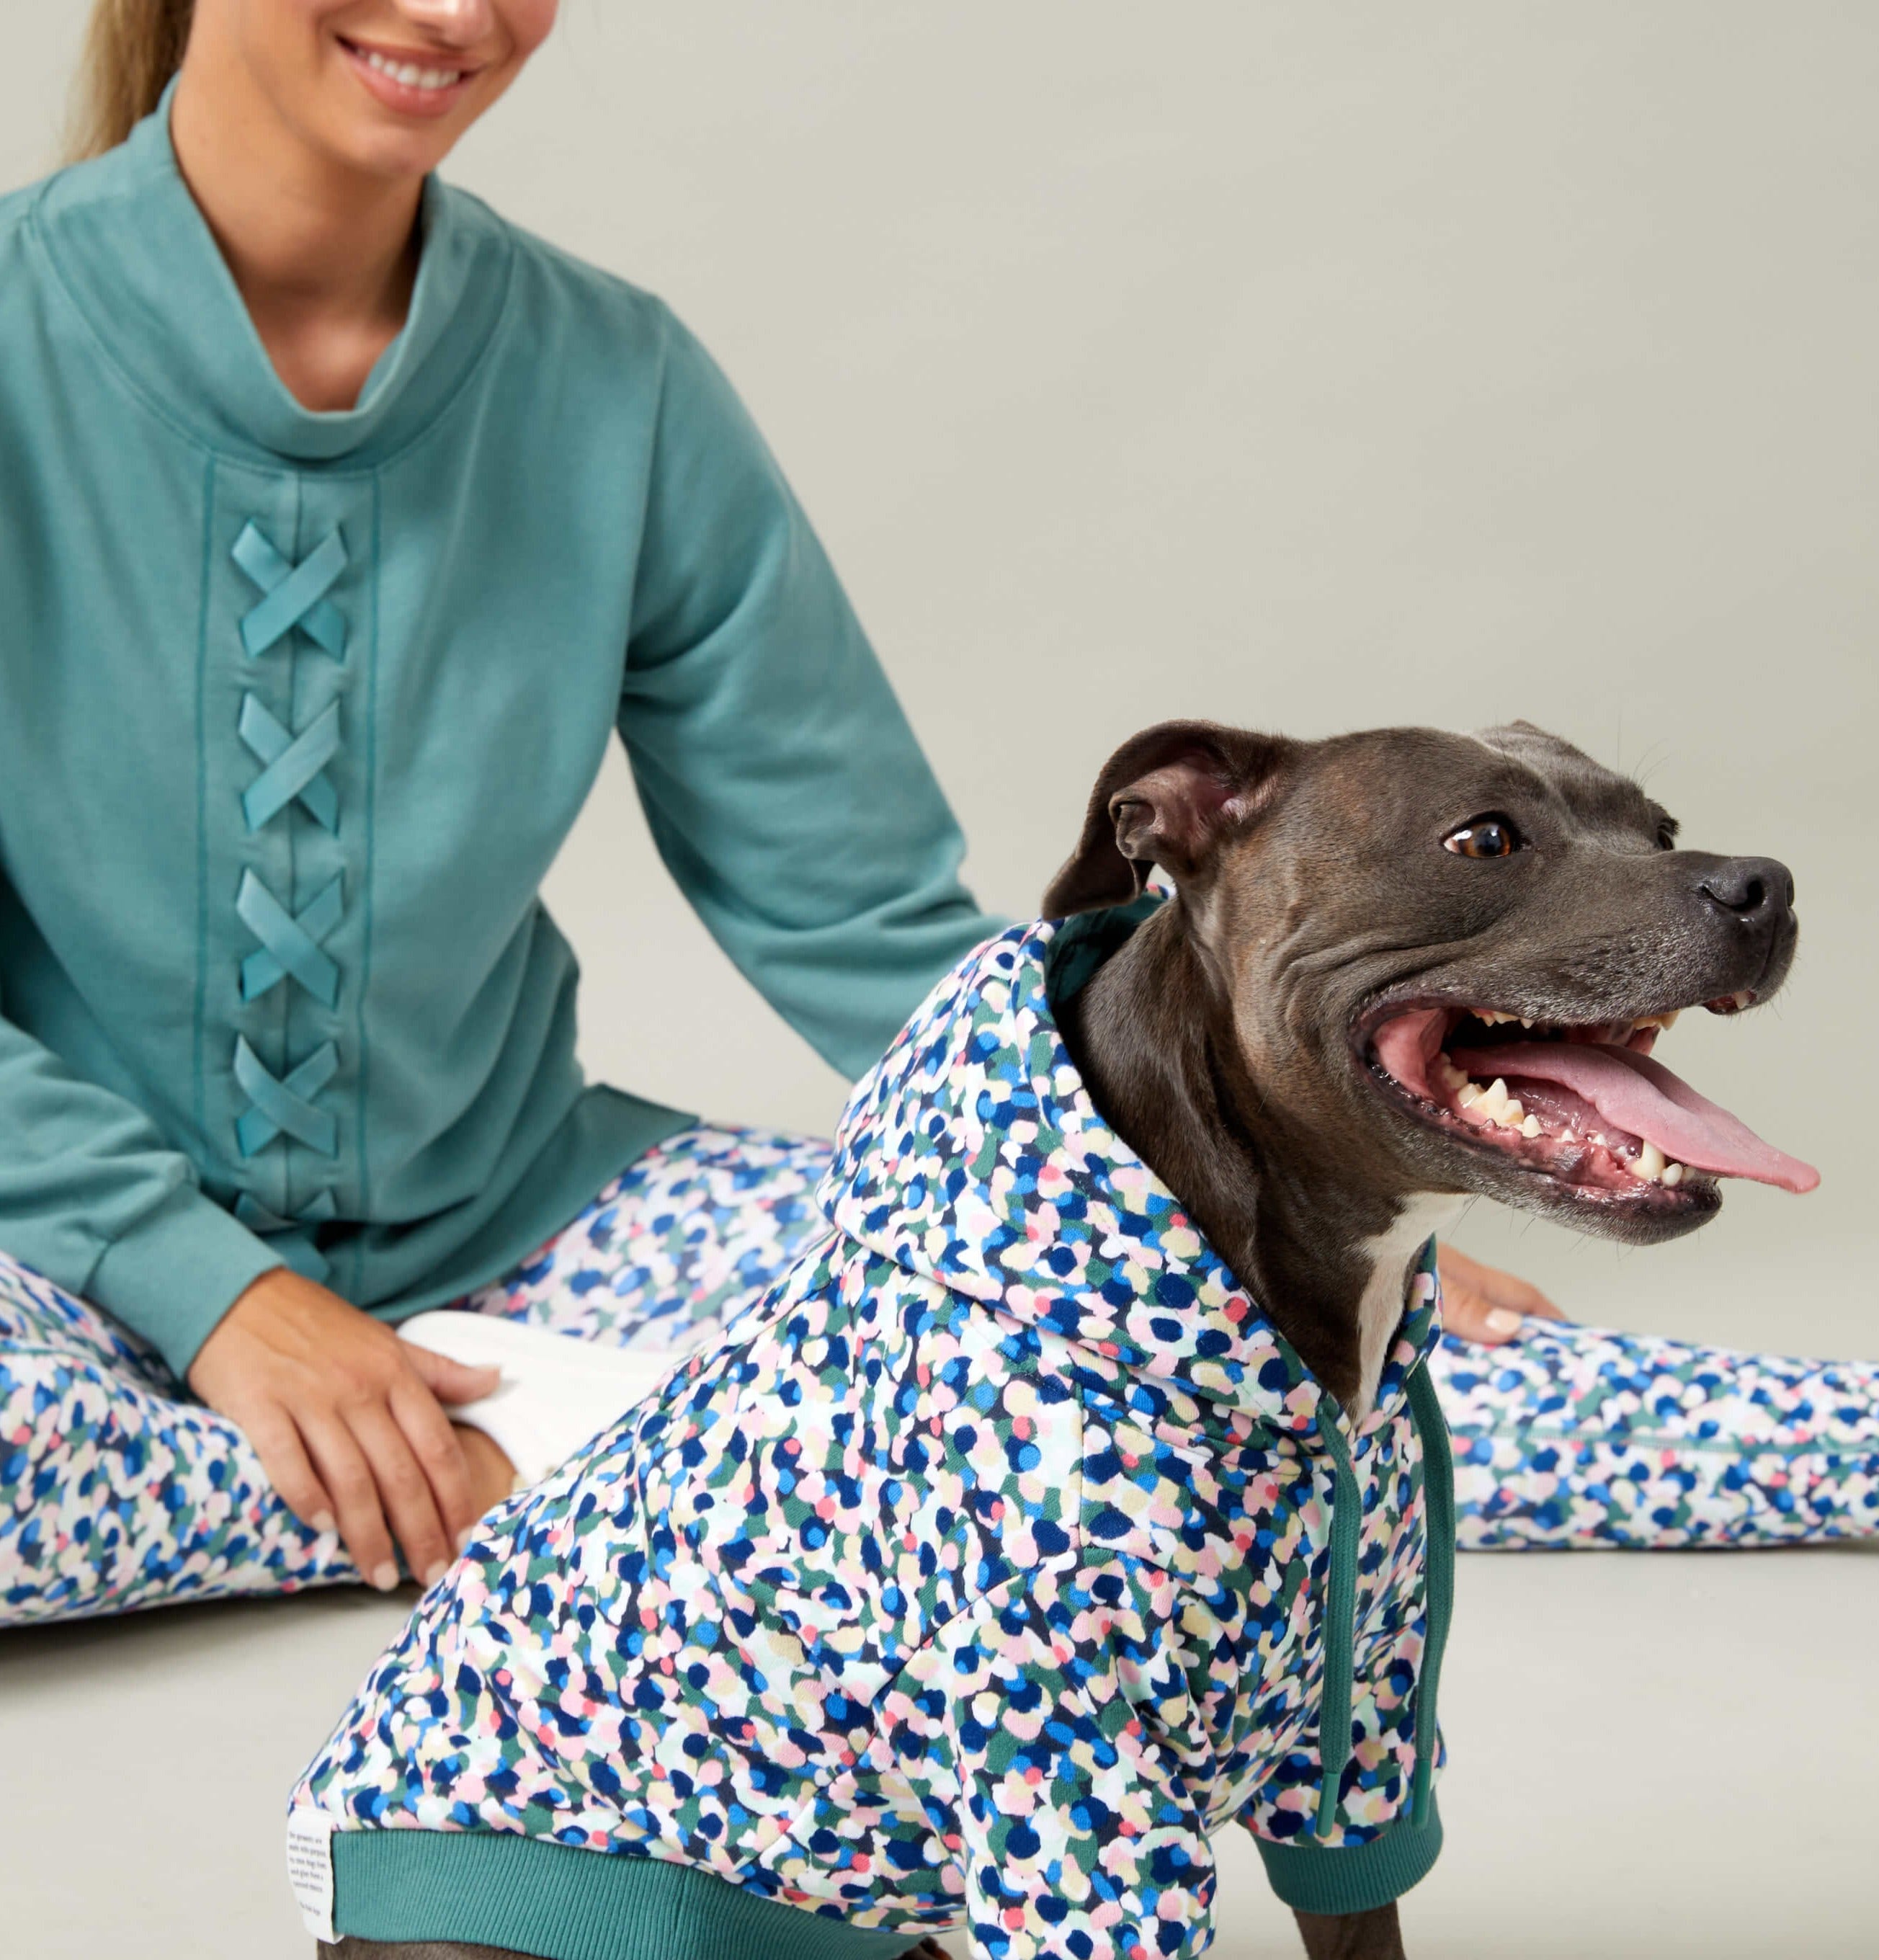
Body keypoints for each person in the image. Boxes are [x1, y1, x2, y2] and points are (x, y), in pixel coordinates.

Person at [1, 1, 1870, 1629]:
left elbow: (858, 910)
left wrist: (1228, 1202)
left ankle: (577, 1459)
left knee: (1268, 1371)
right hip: (43, 1252)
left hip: (527, 1223)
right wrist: (218, 1300)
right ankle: (632, 1469)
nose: (452, 2)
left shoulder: (614, 384)